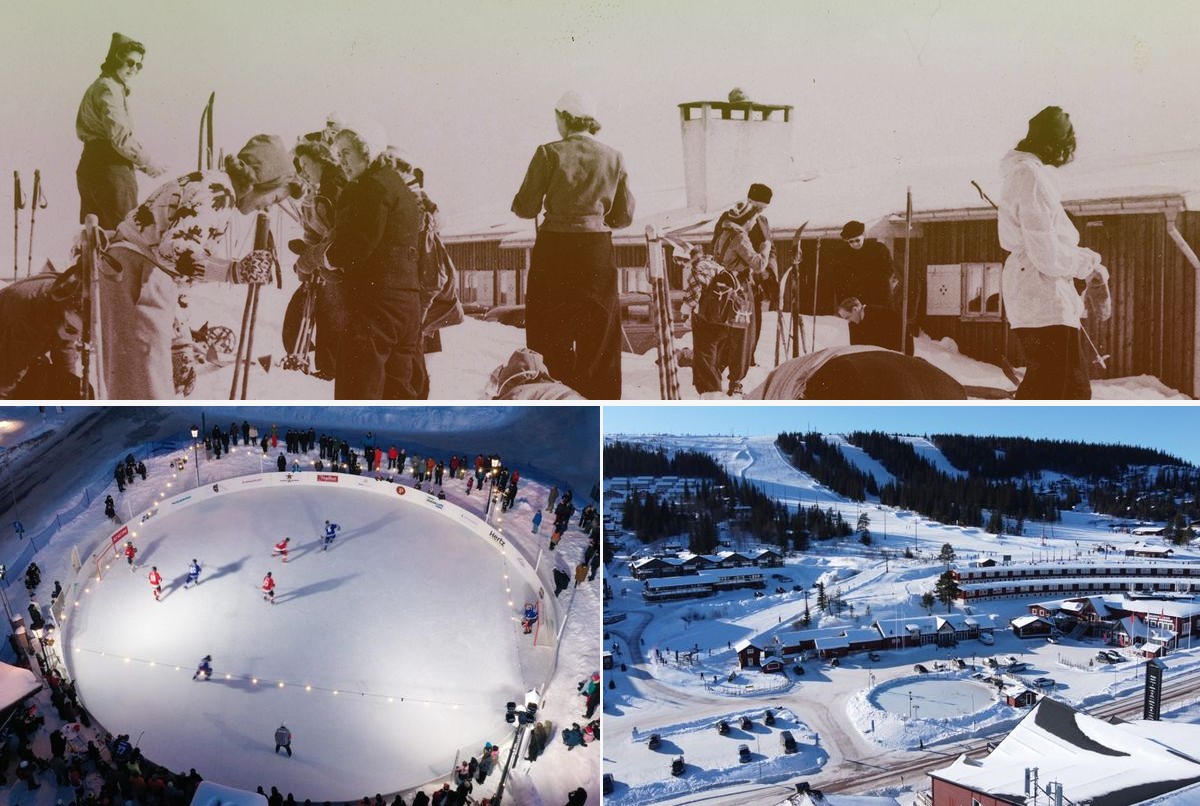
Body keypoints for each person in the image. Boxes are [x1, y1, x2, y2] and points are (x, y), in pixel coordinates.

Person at [98, 134, 300, 398]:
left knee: (140, 387)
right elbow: (175, 251)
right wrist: (233, 271)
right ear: (261, 183)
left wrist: (180, 341)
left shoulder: (213, 183)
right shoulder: (220, 193)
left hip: (135, 277)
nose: (268, 208)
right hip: (138, 278)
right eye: (273, 199)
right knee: (144, 393)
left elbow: (173, 269)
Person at [511, 90, 635, 399]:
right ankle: (601, 410)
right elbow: (623, 216)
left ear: (565, 119)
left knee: (549, 335)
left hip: (555, 250)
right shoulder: (614, 157)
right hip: (596, 252)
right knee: (600, 339)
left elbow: (525, 207)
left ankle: (555, 404)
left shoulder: (548, 153)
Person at [999, 106, 1109, 399]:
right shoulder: (1030, 177)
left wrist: (1088, 264)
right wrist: (1087, 264)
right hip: (1042, 297)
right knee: (1059, 391)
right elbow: (1045, 254)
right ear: (1054, 144)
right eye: (1065, 147)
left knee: (1067, 389)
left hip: (1041, 296)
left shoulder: (1025, 174)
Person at [325, 122, 427, 399]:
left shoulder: (368, 187)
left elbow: (357, 244)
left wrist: (323, 258)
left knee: (358, 392)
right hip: (407, 305)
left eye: (347, 152)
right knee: (398, 394)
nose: (341, 161)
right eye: (338, 154)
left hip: (374, 305)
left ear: (366, 151)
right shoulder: (400, 188)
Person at [76, 33, 166, 229]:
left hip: (90, 167)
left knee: (96, 240)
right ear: (116, 60)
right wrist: (148, 163)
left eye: (139, 65)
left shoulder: (103, 86)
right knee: (123, 233)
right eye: (130, 62)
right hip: (110, 170)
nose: (134, 69)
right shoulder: (109, 89)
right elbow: (120, 137)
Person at [699, 185, 775, 398]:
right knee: (739, 334)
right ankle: (733, 378)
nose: (759, 214)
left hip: (741, 284)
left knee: (742, 332)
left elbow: (771, 249)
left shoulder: (753, 223)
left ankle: (727, 373)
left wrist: (768, 275)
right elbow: (760, 255)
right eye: (757, 208)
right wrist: (762, 256)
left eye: (763, 209)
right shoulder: (734, 225)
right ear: (749, 201)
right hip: (738, 287)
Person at [0, 270, 86, 398]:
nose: (74, 337)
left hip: (18, 357)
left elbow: (64, 349)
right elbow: (9, 377)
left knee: (74, 390)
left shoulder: (67, 299)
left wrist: (68, 384)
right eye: (71, 330)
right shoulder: (28, 316)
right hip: (7, 359)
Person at [830, 220, 897, 311]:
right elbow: (838, 279)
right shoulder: (842, 254)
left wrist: (872, 281)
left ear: (864, 235)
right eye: (851, 241)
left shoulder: (878, 249)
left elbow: (888, 270)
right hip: (854, 301)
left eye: (857, 240)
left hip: (878, 296)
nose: (855, 244)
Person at [837, 297, 911, 353]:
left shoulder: (883, 314)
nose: (848, 321)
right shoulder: (853, 324)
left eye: (848, 317)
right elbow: (856, 349)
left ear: (855, 309)